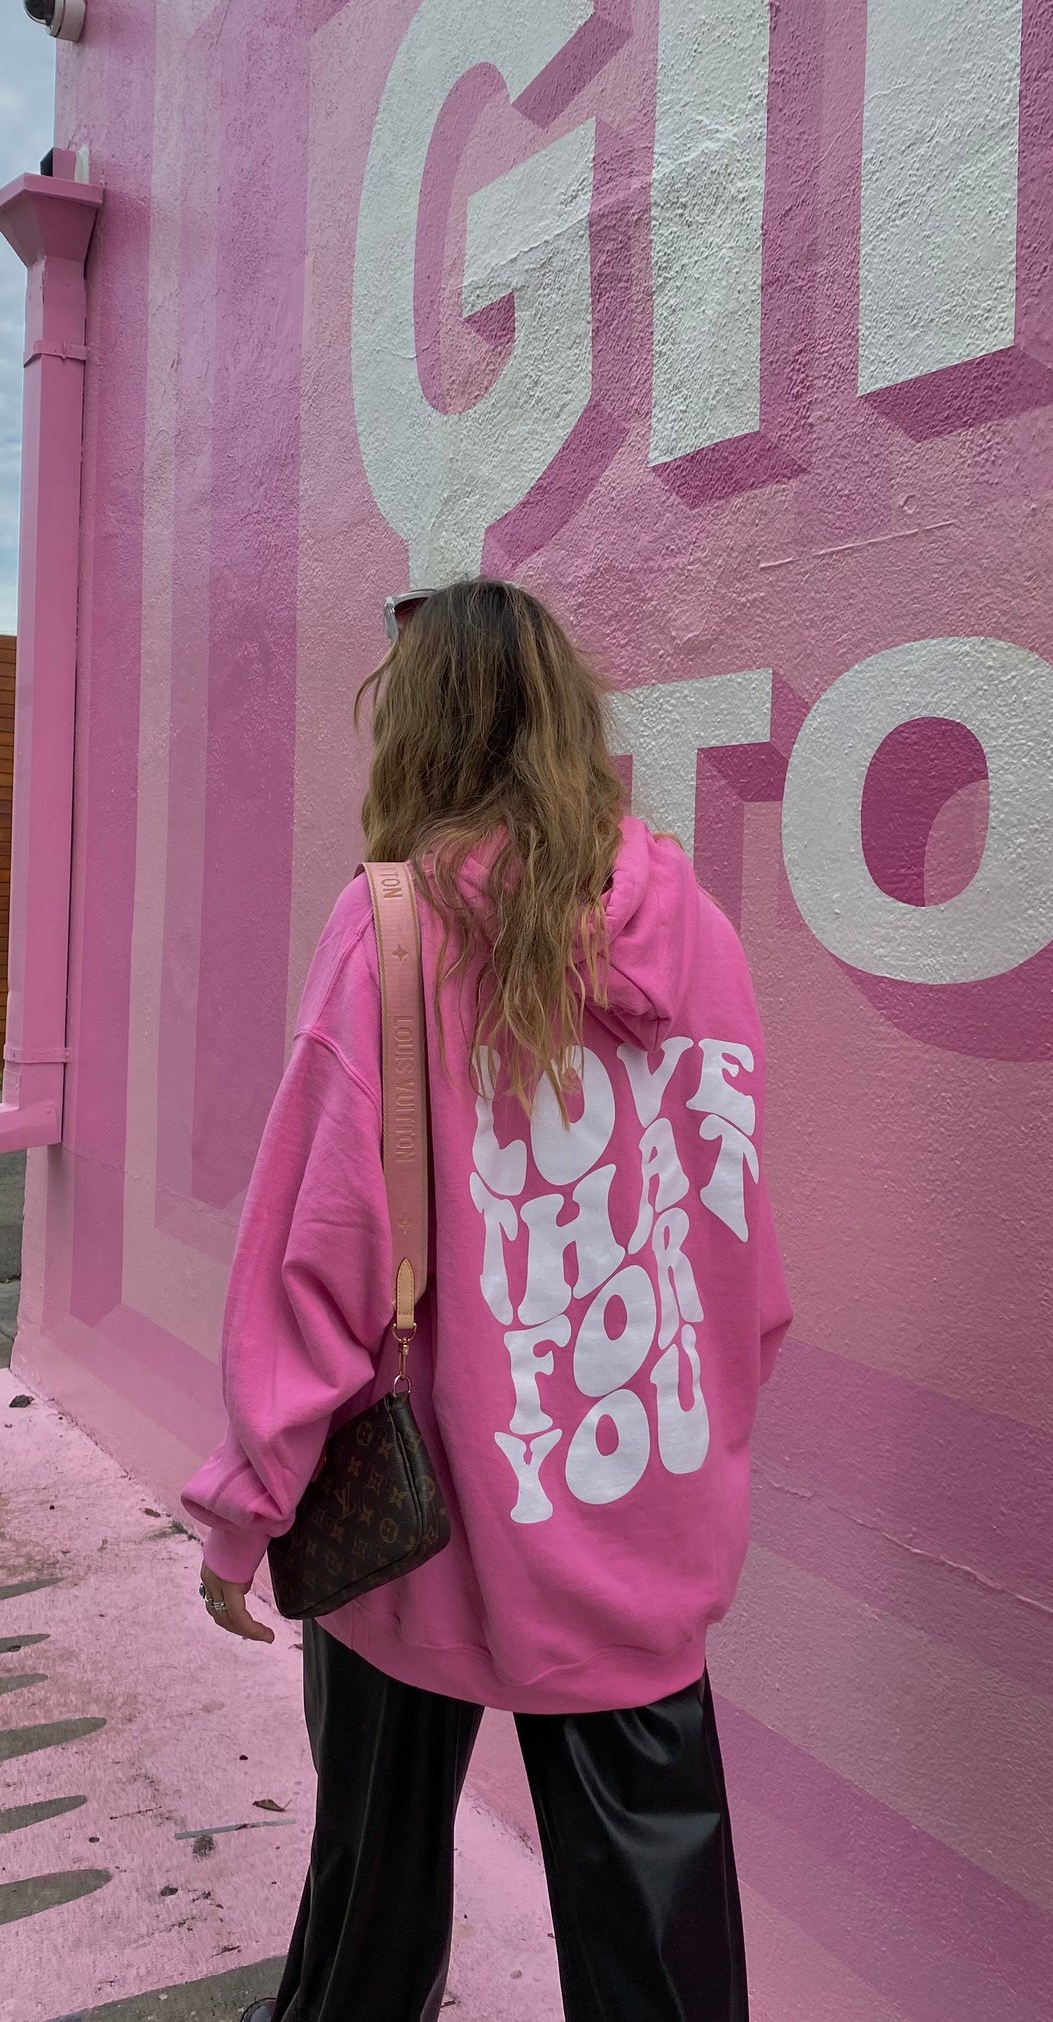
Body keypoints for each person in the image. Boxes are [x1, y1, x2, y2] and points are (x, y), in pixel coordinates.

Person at [180, 578, 793, 2022]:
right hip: (641, 1471)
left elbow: (314, 1250)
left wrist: (246, 1503)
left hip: (432, 1506)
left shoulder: (389, 923)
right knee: (658, 1898)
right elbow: (735, 1206)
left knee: (376, 1856)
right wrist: (701, 1416)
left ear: (424, 733)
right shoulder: (686, 914)